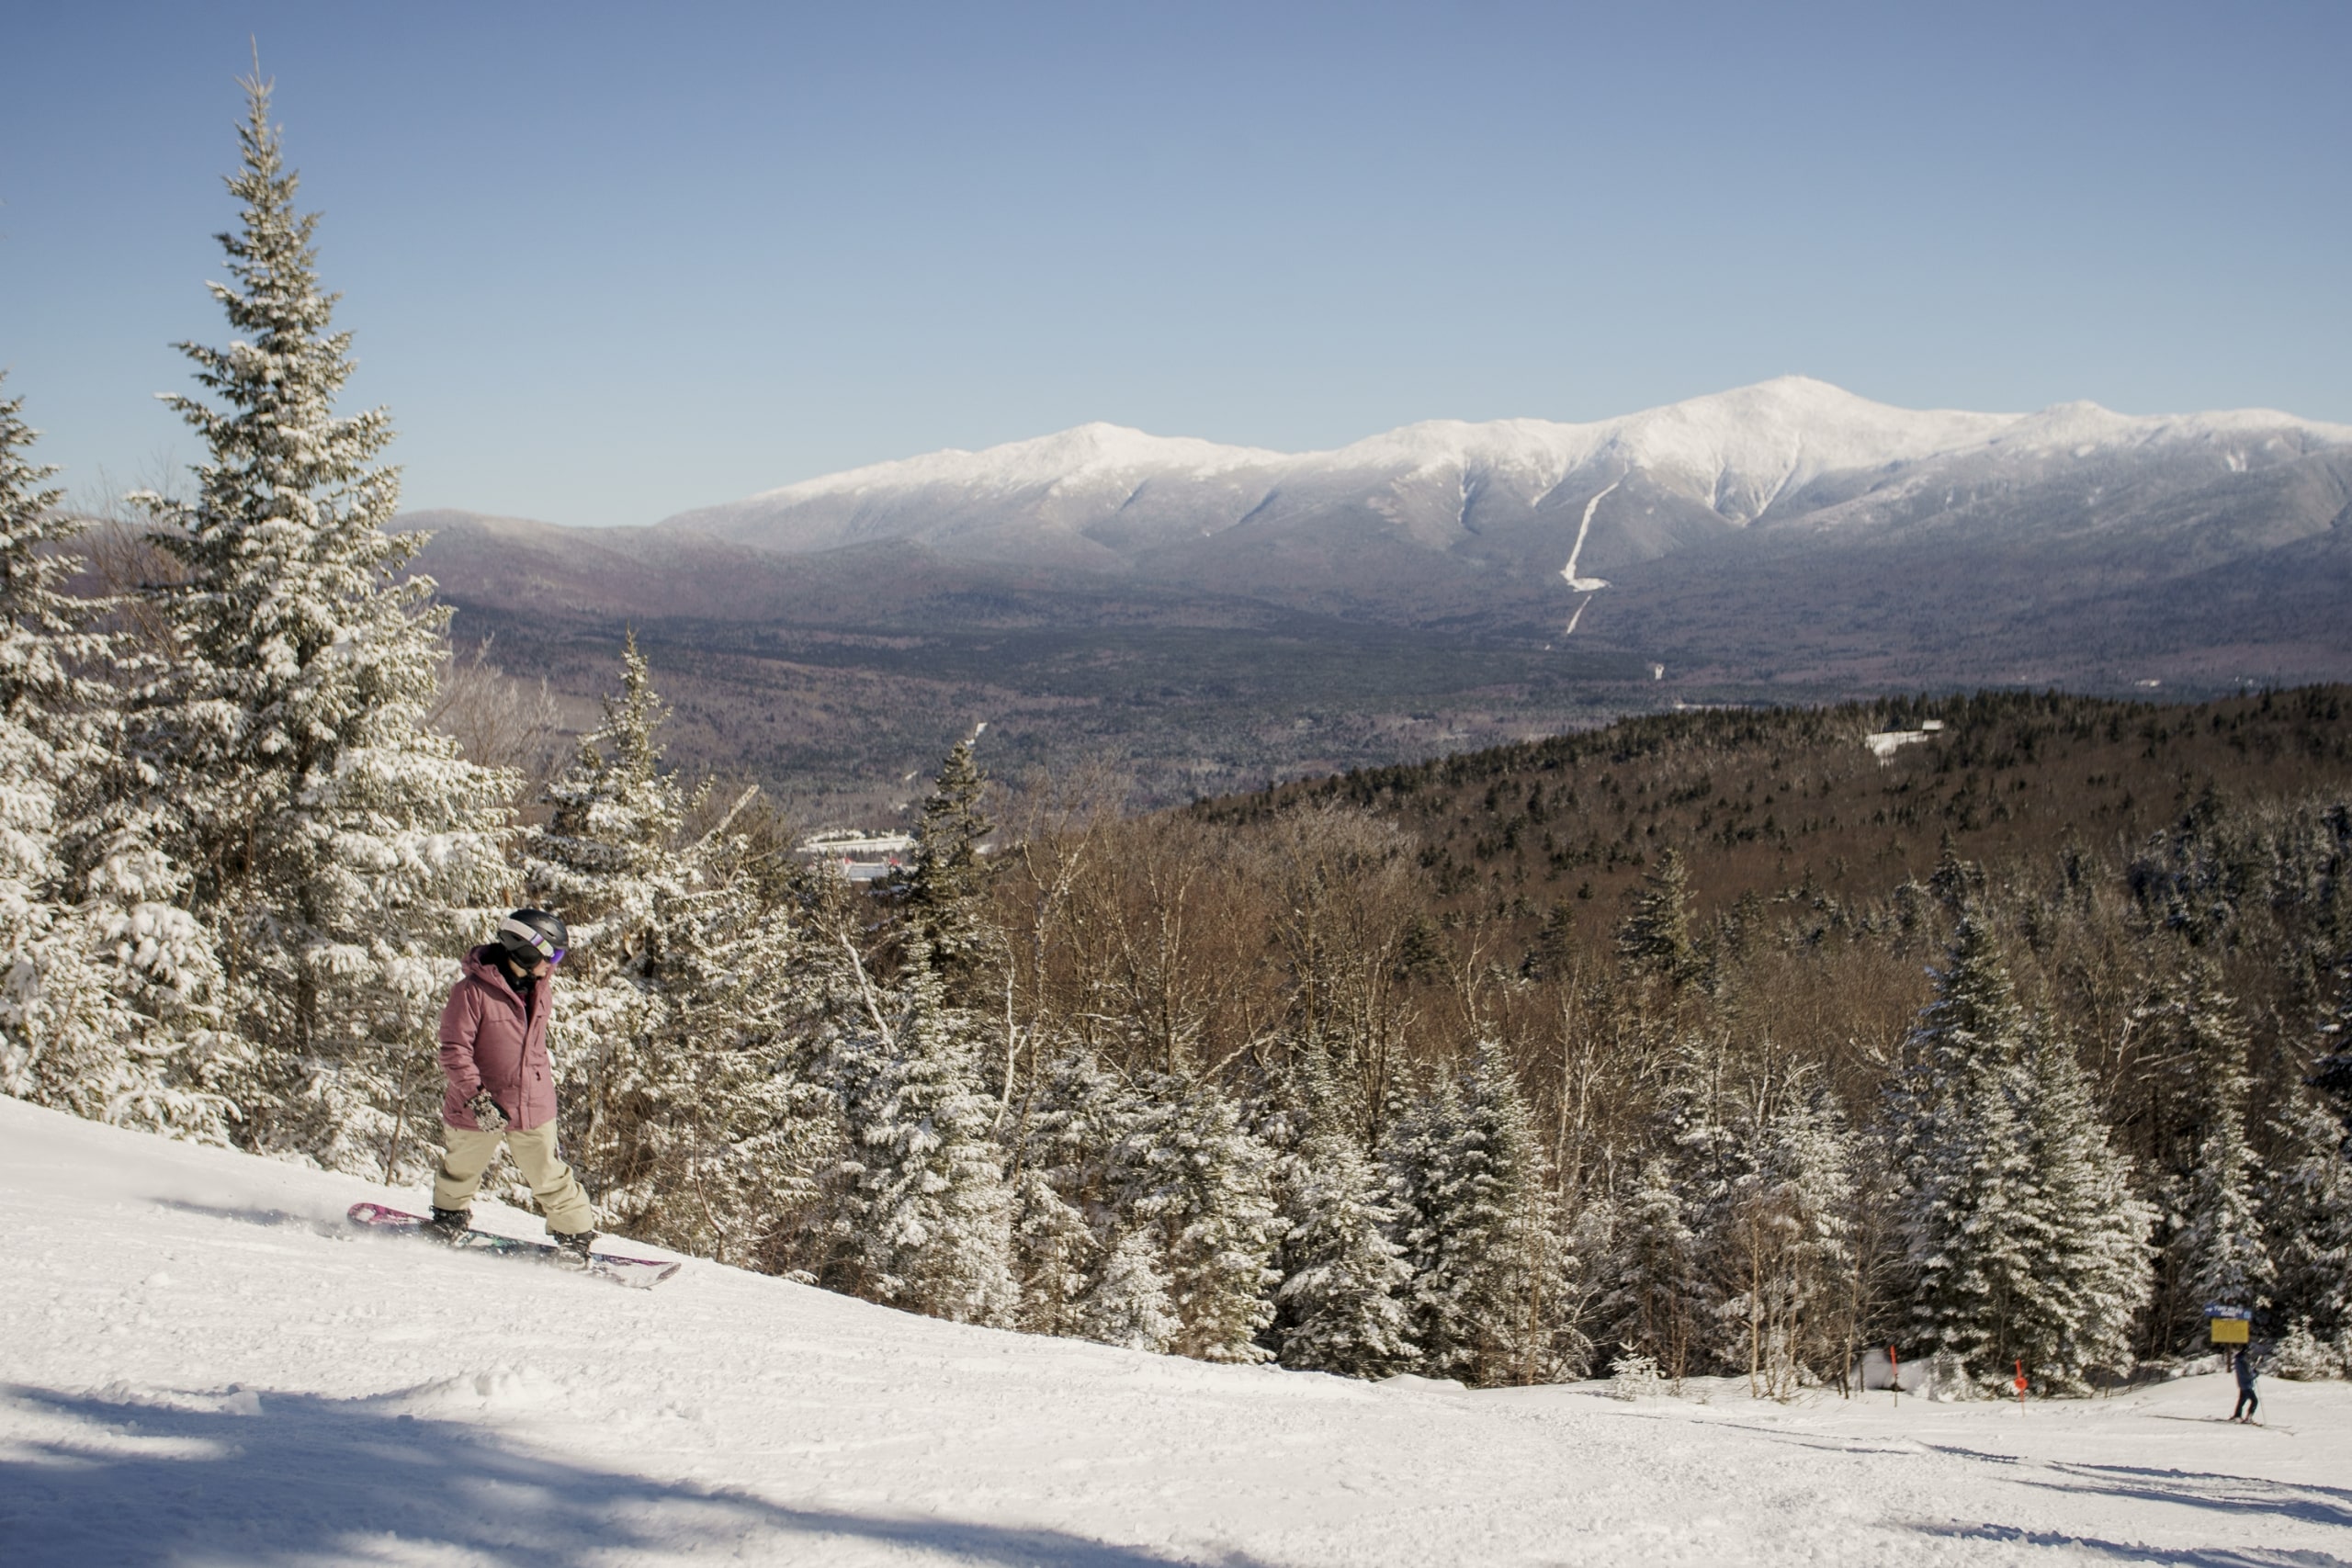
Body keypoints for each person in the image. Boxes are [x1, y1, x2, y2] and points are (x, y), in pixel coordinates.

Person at [430, 908, 599, 1267]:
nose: (555, 964)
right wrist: (477, 1099)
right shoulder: (470, 993)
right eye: (552, 955)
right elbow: (454, 1050)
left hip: (532, 1104)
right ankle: (448, 1220)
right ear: (525, 949)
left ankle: (576, 1237)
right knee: (460, 1170)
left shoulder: (541, 989)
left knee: (550, 1175)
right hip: (477, 1104)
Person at [2231, 1347, 2258, 1423]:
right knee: (2254, 1401)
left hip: (2242, 1384)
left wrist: (2252, 1371)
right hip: (2246, 1385)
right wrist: (2255, 1374)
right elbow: (2248, 1374)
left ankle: (2237, 1415)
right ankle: (2248, 1417)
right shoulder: (2243, 1362)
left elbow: (2246, 1372)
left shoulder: (2238, 1361)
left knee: (2242, 1400)